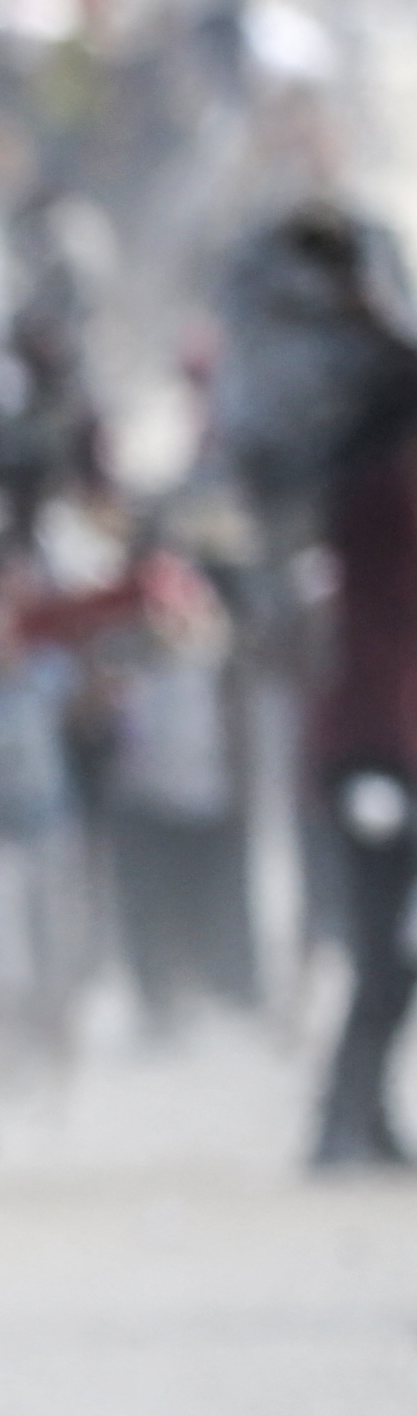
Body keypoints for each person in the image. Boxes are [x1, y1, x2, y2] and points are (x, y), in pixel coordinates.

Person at [314, 404, 417, 1171]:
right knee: (381, 954)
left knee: (397, 961)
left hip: (396, 756)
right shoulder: (376, 510)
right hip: (372, 762)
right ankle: (343, 1121)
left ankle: (366, 1117)